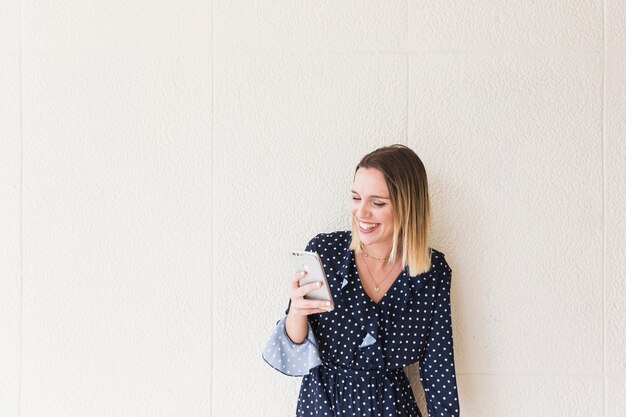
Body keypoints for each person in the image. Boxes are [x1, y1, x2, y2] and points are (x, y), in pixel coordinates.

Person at [262, 144, 460, 417]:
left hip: (392, 408)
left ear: (408, 206)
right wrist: (296, 312)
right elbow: (296, 350)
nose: (361, 212)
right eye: (356, 198)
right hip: (323, 405)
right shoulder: (325, 253)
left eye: (377, 203)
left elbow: (438, 373)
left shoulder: (431, 273)